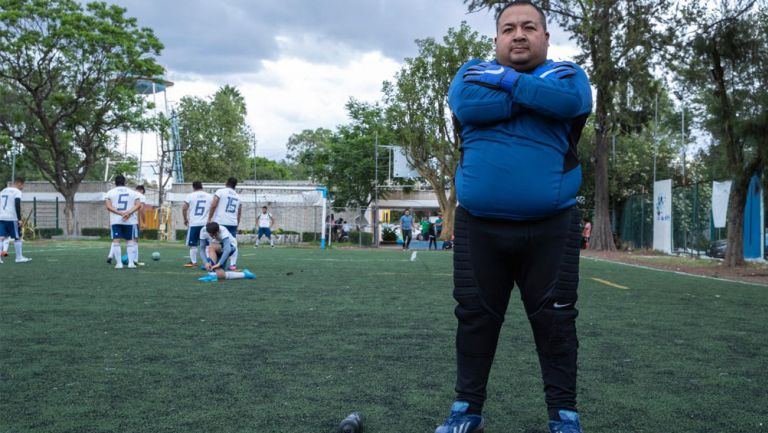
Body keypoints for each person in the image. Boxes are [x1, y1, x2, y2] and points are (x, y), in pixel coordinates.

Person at [436, 2, 593, 433]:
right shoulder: (471, 72)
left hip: (552, 226)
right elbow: (468, 105)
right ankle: (466, 412)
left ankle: (564, 416)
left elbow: (568, 101)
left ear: (545, 37)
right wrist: (533, 98)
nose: (519, 34)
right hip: (479, 226)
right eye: (509, 28)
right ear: (496, 39)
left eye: (529, 27)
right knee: (474, 318)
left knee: (557, 320)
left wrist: (507, 83)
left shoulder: (568, 74)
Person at [104, 175, 142, 269]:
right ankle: (131, 264)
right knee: (130, 241)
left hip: (116, 220)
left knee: (116, 241)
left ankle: (119, 264)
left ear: (115, 183)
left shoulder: (110, 192)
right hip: (130, 220)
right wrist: (128, 213)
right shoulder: (133, 192)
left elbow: (108, 207)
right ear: (125, 182)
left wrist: (120, 213)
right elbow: (138, 205)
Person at [209, 177, 241, 270]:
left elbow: (214, 204)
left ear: (226, 182)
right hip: (232, 222)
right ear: (235, 185)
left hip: (221, 221)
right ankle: (233, 265)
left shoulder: (220, 191)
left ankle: (212, 262)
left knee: (215, 241)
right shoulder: (238, 197)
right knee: (233, 243)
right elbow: (239, 213)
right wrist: (237, 223)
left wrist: (209, 218)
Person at [0, 177, 31, 263]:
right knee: (17, 237)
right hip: (12, 218)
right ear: (19, 183)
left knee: (1, 237)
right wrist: (19, 219)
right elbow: (17, 203)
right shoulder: (17, 192)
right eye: (23, 185)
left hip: (1, 217)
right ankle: (19, 257)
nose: (23, 187)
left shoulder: (3, 190)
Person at [182, 181, 213, 267]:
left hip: (194, 223)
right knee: (207, 245)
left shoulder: (190, 196)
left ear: (193, 187)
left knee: (193, 245)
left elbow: (184, 208)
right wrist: (210, 218)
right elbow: (214, 207)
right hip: (205, 224)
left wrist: (185, 219)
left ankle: (193, 262)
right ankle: (209, 262)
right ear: (201, 186)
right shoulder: (209, 196)